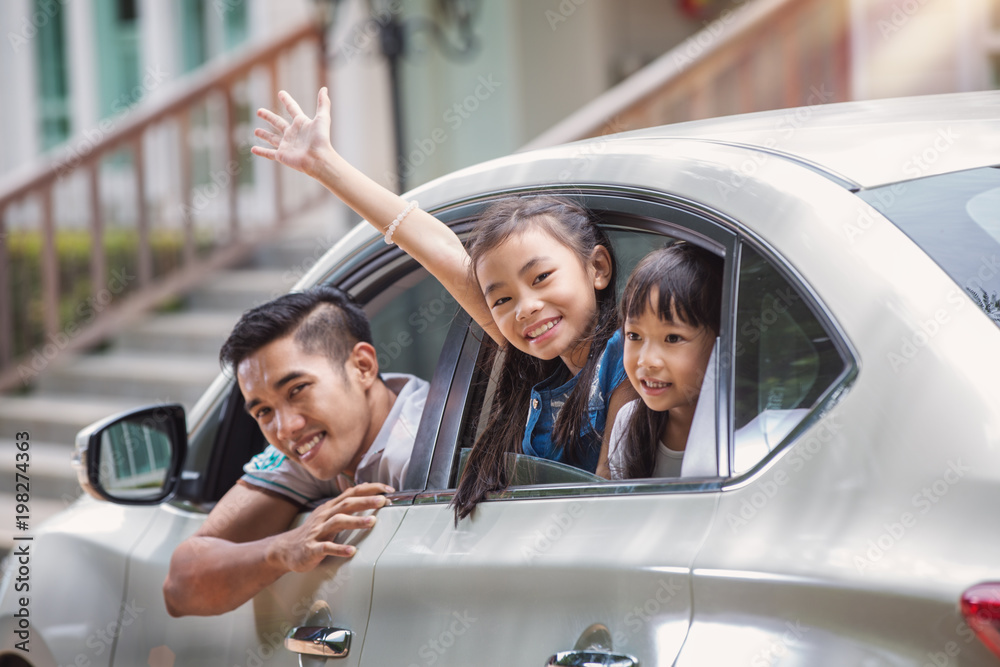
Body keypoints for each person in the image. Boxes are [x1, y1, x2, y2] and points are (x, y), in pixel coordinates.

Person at [251, 88, 635, 519]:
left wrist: (327, 165)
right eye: (502, 299)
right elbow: (437, 250)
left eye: (541, 277)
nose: (524, 307)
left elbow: (611, 502)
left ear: (597, 268)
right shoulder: (538, 370)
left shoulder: (628, 357)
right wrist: (324, 165)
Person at [162, 286, 429, 617]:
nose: (285, 428)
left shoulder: (421, 446)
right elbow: (180, 586)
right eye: (263, 412)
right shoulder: (310, 449)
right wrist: (281, 549)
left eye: (297, 390)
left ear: (362, 366)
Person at [602, 243, 723, 479]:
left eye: (672, 338)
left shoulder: (734, 432)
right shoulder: (628, 424)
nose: (646, 360)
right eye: (634, 335)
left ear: (722, 341)